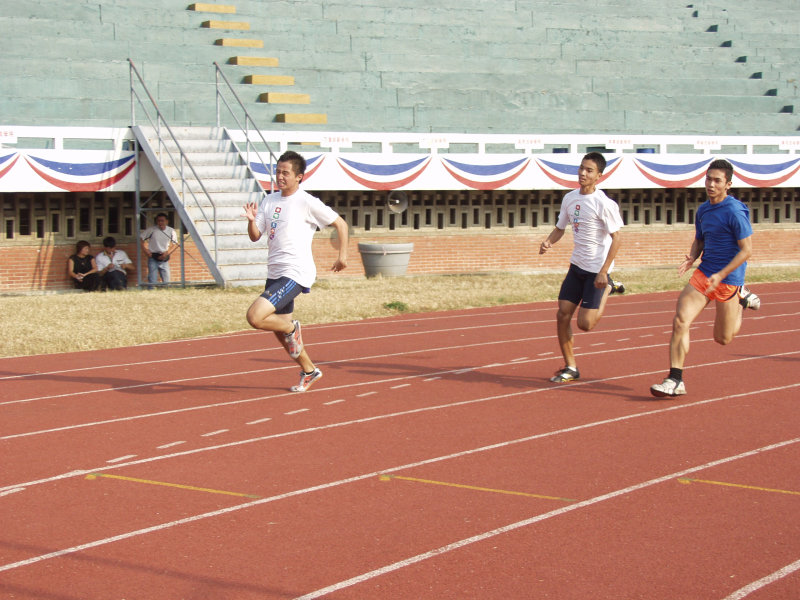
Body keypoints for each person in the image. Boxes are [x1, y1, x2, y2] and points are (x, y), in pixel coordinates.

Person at [650, 159, 760, 398]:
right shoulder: (703, 210)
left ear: (728, 184)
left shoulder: (734, 211)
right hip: (704, 273)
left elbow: (746, 250)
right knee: (680, 321)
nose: (710, 184)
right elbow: (700, 239)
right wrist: (692, 256)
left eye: (717, 180)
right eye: (708, 179)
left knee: (723, 338)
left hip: (728, 279)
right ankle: (675, 379)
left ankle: (741, 297)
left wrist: (722, 274)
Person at [243, 151, 349, 392]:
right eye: (277, 171)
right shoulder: (269, 201)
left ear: (299, 177)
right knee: (282, 335)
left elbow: (340, 223)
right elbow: (255, 236)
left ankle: (293, 328)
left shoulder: (306, 201)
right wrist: (251, 220)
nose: (279, 176)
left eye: (285, 173)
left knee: (255, 317)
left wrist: (342, 256)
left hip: (295, 273)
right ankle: (310, 371)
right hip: (275, 272)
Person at [539, 152, 624, 383]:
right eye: (581, 168)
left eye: (589, 170)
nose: (583, 173)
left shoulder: (604, 204)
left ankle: (609, 287)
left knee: (585, 324)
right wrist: (548, 241)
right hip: (576, 266)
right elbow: (560, 228)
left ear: (599, 176)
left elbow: (617, 238)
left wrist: (604, 272)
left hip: (597, 271)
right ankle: (571, 367)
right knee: (562, 314)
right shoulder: (569, 198)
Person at [140, 212, 178, 287]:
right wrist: (145, 250)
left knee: (166, 279)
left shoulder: (171, 231)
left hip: (164, 256)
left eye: (162, 221)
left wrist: (167, 253)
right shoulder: (152, 230)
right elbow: (140, 239)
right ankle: (151, 291)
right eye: (158, 221)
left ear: (167, 221)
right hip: (153, 256)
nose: (160, 223)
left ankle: (166, 292)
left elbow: (174, 244)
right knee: (152, 279)